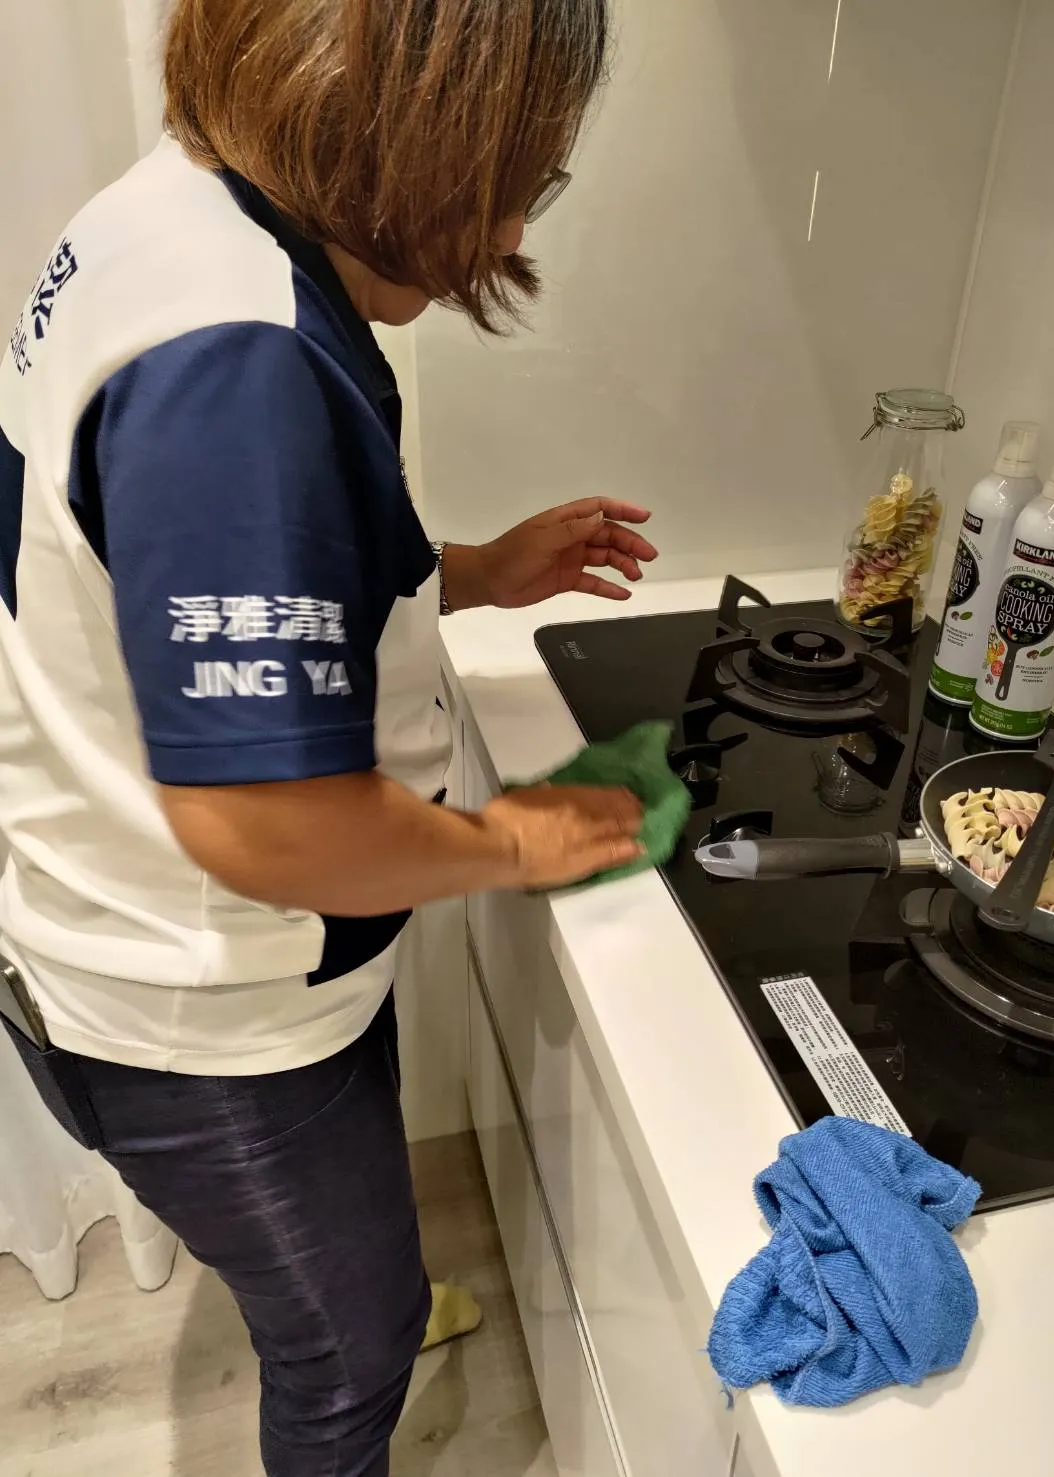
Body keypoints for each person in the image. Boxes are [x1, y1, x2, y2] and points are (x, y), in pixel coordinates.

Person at [0, 2, 657, 1473]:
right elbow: (273, 827)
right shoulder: (238, 364)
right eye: (512, 179)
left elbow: (197, 578)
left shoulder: (175, 211)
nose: (510, 232)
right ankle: (358, 1324)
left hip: (182, 949)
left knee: (355, 1263)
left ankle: (362, 1291)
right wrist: (514, 839)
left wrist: (470, 572)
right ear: (400, 127)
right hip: (194, 1010)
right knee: (346, 1359)